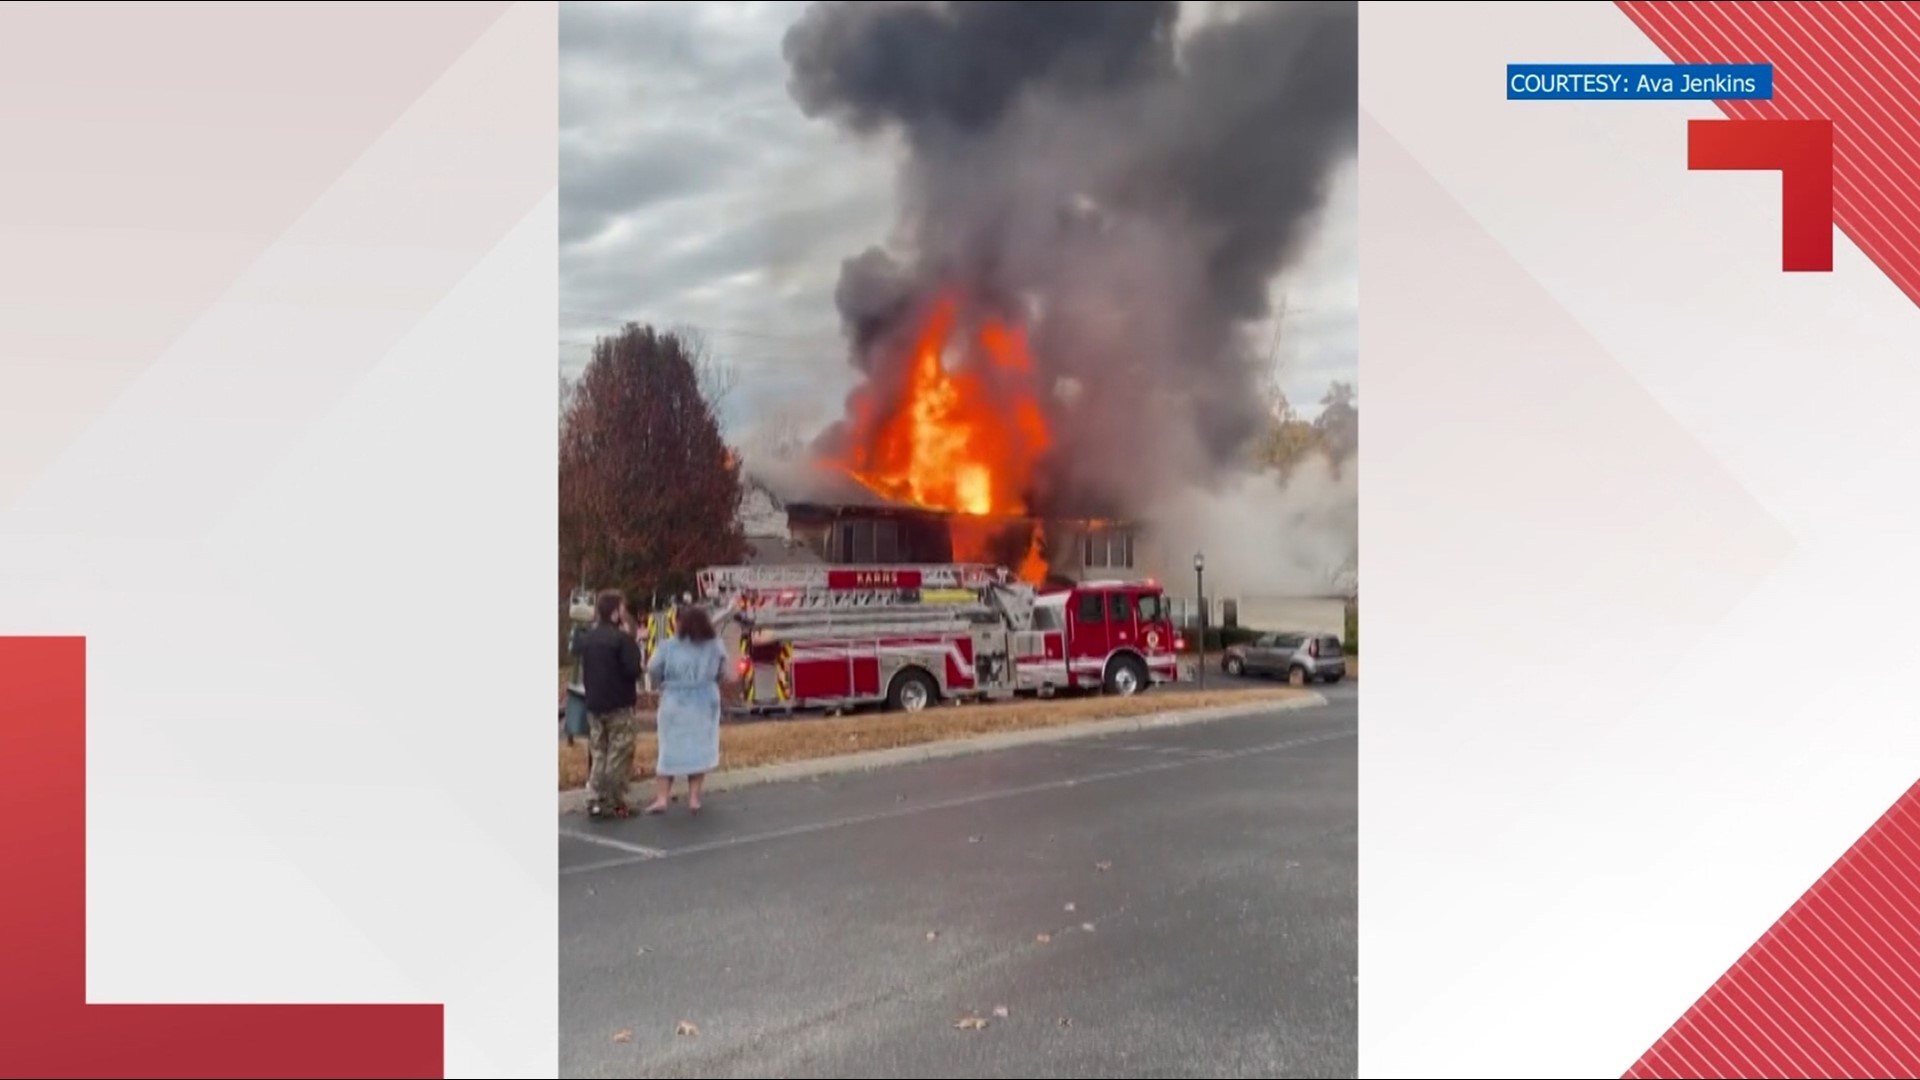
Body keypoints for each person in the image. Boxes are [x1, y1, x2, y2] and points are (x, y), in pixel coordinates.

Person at [643, 604, 730, 815]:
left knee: (668, 749)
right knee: (700, 749)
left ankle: (662, 798)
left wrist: (664, 681)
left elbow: (653, 668)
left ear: (680, 623)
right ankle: (693, 799)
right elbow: (724, 672)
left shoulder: (668, 646)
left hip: (675, 700)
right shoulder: (715, 646)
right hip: (705, 700)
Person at [578, 590, 644, 819]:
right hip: (619, 704)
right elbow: (633, 670)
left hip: (595, 704)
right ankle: (617, 801)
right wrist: (632, 643)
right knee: (619, 753)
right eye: (623, 610)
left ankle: (595, 799)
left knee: (598, 753)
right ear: (616, 613)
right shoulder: (622, 640)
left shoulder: (589, 639)